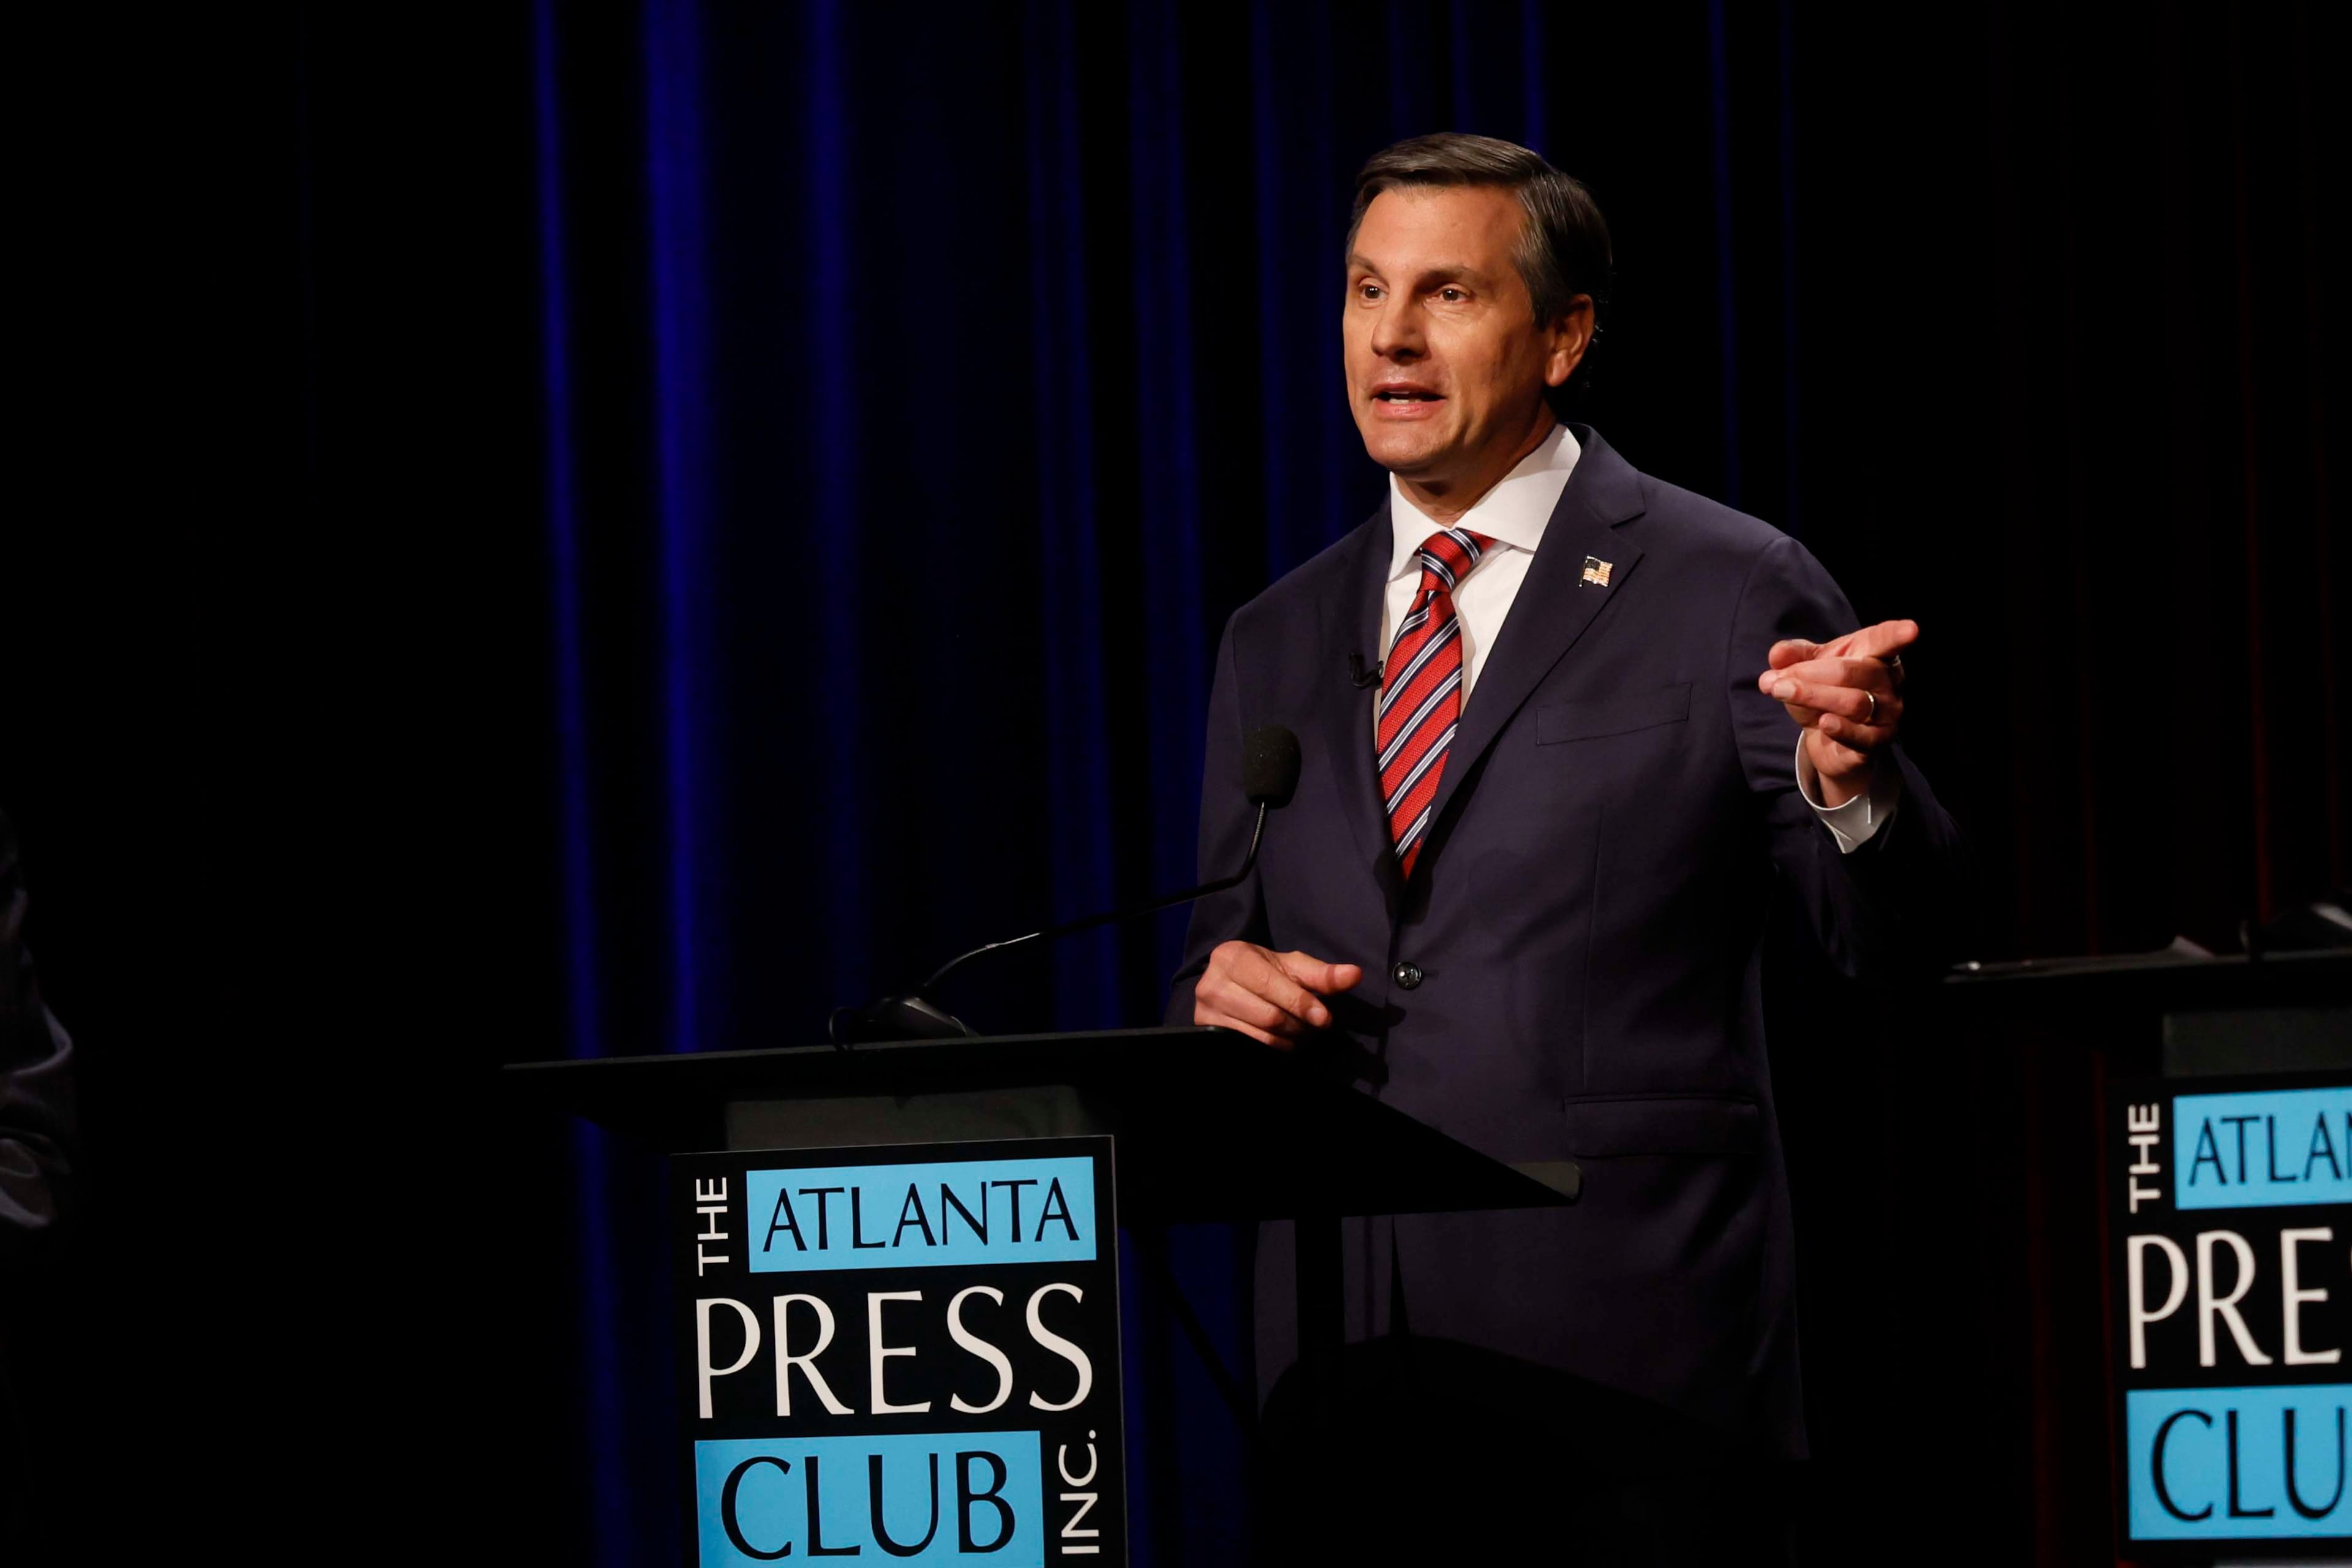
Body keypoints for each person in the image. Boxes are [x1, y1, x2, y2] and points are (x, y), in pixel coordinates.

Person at [1166, 134, 1966, 1562]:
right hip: (1346, 1381)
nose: (1391, 337)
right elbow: (1217, 962)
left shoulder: (1727, 584)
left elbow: (1899, 942)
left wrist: (1854, 787)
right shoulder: (1274, 637)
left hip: (1633, 1375)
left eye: (1448, 293)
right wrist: (1220, 1003)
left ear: (1564, 335)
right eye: (1366, 289)